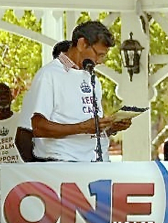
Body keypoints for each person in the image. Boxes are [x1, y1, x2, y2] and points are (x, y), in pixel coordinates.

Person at [18, 22, 131, 162]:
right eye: (98, 54)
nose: (100, 61)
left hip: (97, 161)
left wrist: (111, 127)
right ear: (82, 44)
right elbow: (38, 127)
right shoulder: (50, 75)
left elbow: (90, 128)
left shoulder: (91, 77)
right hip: (64, 163)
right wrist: (82, 127)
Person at [16, 40, 73, 162]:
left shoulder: (83, 85)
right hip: (56, 167)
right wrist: (39, 169)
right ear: (62, 57)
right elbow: (23, 134)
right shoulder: (44, 85)